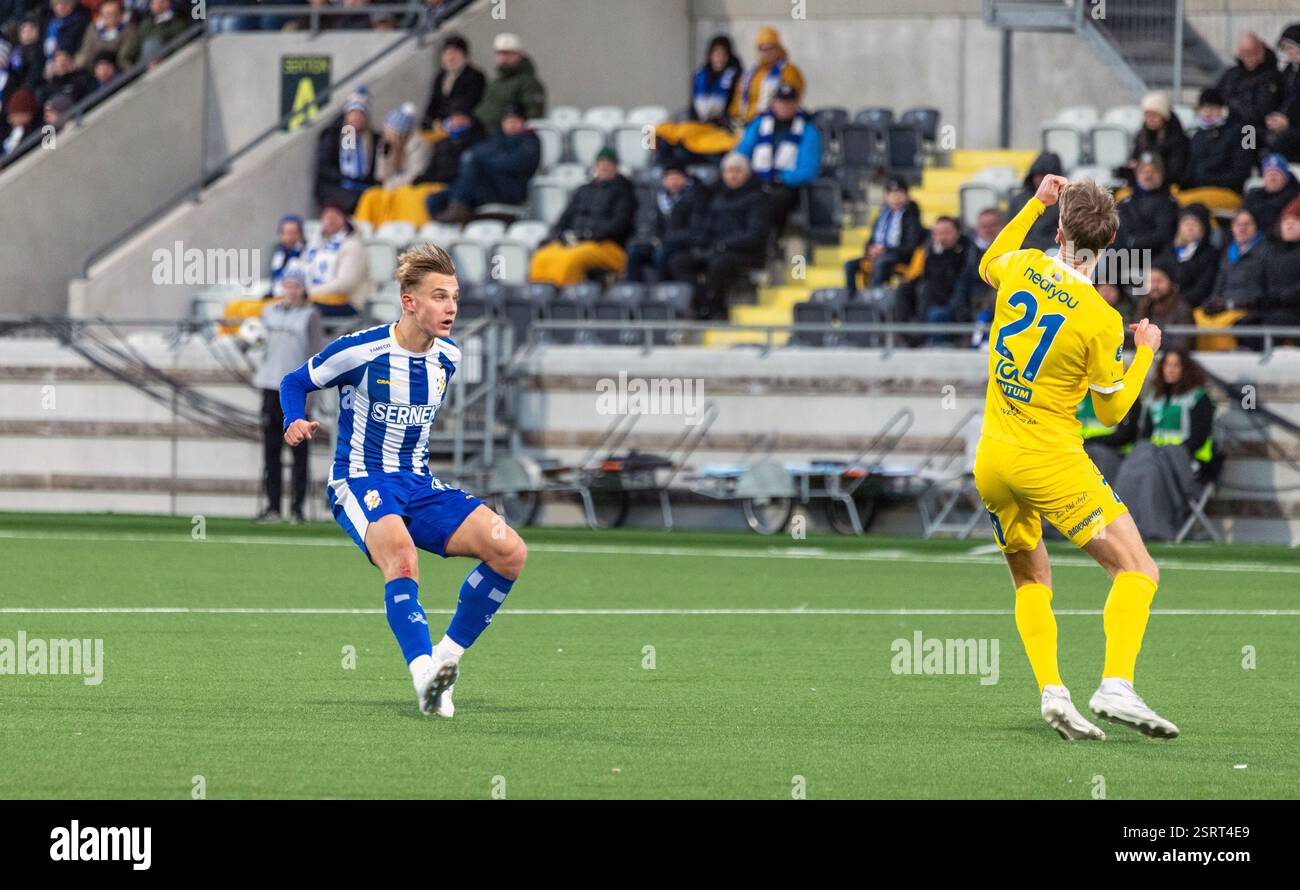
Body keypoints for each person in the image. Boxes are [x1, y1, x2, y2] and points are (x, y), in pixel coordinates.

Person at [279, 243, 528, 719]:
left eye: (454, 296)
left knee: (510, 551)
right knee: (403, 558)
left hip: (419, 483)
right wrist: (294, 419)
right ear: (408, 301)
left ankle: (446, 659)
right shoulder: (361, 351)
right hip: (362, 478)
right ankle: (422, 676)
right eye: (438, 296)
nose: (450, 307)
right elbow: (295, 380)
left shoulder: (448, 357)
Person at [975, 172, 1178, 741]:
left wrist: (1033, 203)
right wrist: (1143, 354)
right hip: (1049, 460)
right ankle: (1115, 683)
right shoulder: (1099, 318)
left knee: (1031, 577)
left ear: (1059, 228)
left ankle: (1053, 690)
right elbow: (1112, 414)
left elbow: (989, 258)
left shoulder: (1021, 267)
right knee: (1137, 569)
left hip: (992, 458)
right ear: (1108, 245)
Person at [1114, 350, 1217, 541]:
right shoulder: (1155, 398)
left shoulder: (1199, 398)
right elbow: (1146, 435)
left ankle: (1154, 527)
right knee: (1130, 467)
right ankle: (1124, 528)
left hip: (1187, 461)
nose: (1170, 370)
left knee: (1151, 471)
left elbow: (1198, 439)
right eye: (1167, 365)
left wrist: (1164, 452)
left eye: (1176, 365)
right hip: (1155, 456)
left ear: (1185, 369)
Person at [254, 264, 323, 524]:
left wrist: (313, 395)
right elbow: (257, 345)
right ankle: (273, 507)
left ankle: (297, 508)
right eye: (288, 285)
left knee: (299, 453)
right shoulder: (268, 312)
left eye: (296, 286)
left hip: (296, 392)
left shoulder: (310, 316)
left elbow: (317, 355)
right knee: (271, 449)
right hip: (270, 387)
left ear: (303, 289)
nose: (291, 290)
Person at [667, 151, 770, 320]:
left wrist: (725, 244)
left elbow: (755, 234)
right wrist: (702, 243)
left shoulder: (757, 198)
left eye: (737, 171)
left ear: (747, 173)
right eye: (729, 171)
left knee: (719, 264)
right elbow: (707, 227)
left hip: (745, 252)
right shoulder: (718, 197)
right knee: (679, 262)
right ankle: (703, 304)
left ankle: (718, 310)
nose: (732, 176)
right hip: (715, 248)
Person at [528, 147, 635, 287]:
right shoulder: (584, 190)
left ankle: (568, 302)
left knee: (572, 260)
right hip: (576, 241)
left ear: (616, 167)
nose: (604, 167)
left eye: (608, 164)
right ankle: (541, 299)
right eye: (601, 163)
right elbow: (565, 217)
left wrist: (590, 235)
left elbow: (620, 224)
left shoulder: (623, 191)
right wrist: (559, 234)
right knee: (541, 257)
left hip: (606, 244)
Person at [426, 103, 539, 222]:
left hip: (509, 191)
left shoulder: (530, 141)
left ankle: (459, 206)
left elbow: (515, 163)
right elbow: (481, 153)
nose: (511, 124)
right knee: (434, 200)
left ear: (523, 122)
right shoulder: (496, 138)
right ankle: (452, 220)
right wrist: (492, 160)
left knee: (472, 160)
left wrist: (489, 162)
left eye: (515, 120)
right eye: (507, 121)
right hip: (487, 187)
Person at [734, 80, 820, 233]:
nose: (784, 106)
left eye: (789, 102)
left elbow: (809, 168)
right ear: (773, 103)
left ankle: (764, 241)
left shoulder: (808, 130)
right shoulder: (759, 124)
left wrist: (781, 178)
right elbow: (742, 152)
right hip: (756, 181)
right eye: (781, 102)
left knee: (769, 203)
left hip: (787, 187)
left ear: (796, 104)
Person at [653, 35, 744, 166]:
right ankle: (660, 168)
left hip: (721, 129)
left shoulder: (736, 76)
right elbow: (693, 108)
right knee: (653, 132)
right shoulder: (700, 75)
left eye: (722, 54)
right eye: (715, 54)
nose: (719, 58)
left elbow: (736, 110)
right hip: (698, 126)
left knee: (715, 149)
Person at [350, 101, 439, 229]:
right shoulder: (388, 144)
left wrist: (391, 185)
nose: (385, 132)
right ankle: (365, 228)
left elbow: (416, 174)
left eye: (389, 129)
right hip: (394, 185)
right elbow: (381, 176)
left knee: (405, 196)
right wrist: (386, 156)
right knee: (370, 195)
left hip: (412, 186)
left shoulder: (419, 144)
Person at [1196, 208, 1267, 346]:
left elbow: (1260, 290)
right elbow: (1219, 284)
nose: (1242, 229)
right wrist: (1212, 302)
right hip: (1224, 306)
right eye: (1238, 225)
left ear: (1256, 227)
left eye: (1247, 224)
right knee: (1196, 317)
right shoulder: (1228, 252)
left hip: (1248, 309)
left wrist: (1231, 304)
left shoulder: (1265, 252)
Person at [625, 164, 703, 283]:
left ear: (684, 179)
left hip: (683, 244)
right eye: (669, 178)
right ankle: (634, 289)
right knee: (635, 252)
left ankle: (664, 289)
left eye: (676, 177)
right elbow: (656, 226)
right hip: (663, 241)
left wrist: (668, 240)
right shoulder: (660, 199)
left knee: (661, 254)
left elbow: (695, 230)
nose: (673, 181)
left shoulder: (694, 198)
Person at [894, 215, 971, 335]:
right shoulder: (928, 251)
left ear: (957, 233)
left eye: (946, 232)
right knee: (904, 290)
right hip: (930, 298)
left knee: (935, 310)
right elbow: (919, 276)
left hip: (953, 300)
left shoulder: (966, 251)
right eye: (937, 233)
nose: (942, 237)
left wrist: (943, 254)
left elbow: (956, 279)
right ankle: (902, 333)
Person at [844, 178, 923, 292]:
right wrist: (870, 249)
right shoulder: (882, 216)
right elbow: (872, 239)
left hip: (898, 256)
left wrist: (886, 250)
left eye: (899, 193)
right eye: (892, 194)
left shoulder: (912, 217)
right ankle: (852, 299)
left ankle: (874, 297)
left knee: (881, 263)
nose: (895, 197)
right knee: (850, 265)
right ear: (886, 197)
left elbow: (911, 246)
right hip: (880, 254)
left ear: (907, 196)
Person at [314, 87, 377, 214]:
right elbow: (325, 166)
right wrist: (348, 179)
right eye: (353, 114)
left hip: (363, 188)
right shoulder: (334, 136)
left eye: (360, 115)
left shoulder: (372, 139)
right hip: (335, 186)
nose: (356, 119)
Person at [304, 203, 370, 318]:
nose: (330, 221)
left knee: (299, 309)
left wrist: (308, 293)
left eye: (334, 217)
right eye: (327, 217)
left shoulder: (353, 245)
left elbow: (345, 283)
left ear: (345, 220)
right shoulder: (316, 245)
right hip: (315, 298)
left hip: (347, 302)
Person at [1184, 88, 1254, 194]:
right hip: (1200, 189)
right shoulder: (1197, 136)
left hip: (1227, 191)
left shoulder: (1242, 132)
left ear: (1222, 109)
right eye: (1203, 108)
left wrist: (1208, 179)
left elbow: (1242, 172)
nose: (1207, 113)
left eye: (1212, 108)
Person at [473, 32, 545, 133]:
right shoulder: (495, 83)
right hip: (484, 134)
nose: (504, 58)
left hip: (508, 139)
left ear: (519, 55)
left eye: (508, 53)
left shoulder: (529, 83)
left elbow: (534, 116)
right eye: (500, 54)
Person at [1213, 32, 1283, 135]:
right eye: (1245, 54)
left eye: (1254, 53)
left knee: (1247, 141)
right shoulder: (1232, 75)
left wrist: (1231, 107)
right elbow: (1215, 97)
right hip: (1229, 127)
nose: (1250, 58)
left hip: (1255, 130)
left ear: (1261, 50)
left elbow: (1260, 112)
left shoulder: (1271, 77)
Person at [731, 26, 803, 126]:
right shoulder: (750, 73)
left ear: (778, 48)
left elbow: (789, 102)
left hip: (774, 124)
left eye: (769, 48)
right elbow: (738, 101)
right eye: (761, 48)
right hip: (745, 123)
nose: (765, 52)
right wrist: (736, 117)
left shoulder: (788, 71)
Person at [1154, 203, 1218, 307]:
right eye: (1186, 223)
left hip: (1193, 305)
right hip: (1164, 303)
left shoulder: (1210, 254)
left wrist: (1174, 300)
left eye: (1194, 223)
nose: (1190, 227)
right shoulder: (1169, 250)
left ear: (1204, 228)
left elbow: (1203, 288)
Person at [1114, 153, 1178, 254]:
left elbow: (1163, 237)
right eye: (1143, 171)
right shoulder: (1125, 204)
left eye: (1153, 171)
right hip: (1124, 260)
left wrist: (1134, 242)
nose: (1148, 175)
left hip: (1156, 262)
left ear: (1162, 175)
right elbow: (1119, 238)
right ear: (1137, 175)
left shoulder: (1169, 204)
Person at [419, 33, 485, 130]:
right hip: (439, 124)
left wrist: (448, 119)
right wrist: (427, 120)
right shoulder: (440, 77)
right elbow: (433, 102)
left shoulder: (475, 76)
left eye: (455, 53)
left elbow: (469, 103)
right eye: (447, 53)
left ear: (464, 55)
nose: (450, 58)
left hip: (462, 124)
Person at [1125, 91, 1189, 187]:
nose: (1150, 119)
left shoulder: (1177, 139)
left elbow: (1176, 172)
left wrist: (1151, 170)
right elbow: (1134, 158)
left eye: (1154, 115)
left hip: (1168, 187)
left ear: (1164, 117)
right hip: (1143, 185)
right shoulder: (1141, 136)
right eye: (1147, 115)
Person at [1006, 152, 1065, 251]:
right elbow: (1010, 232)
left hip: (1050, 255)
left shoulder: (1065, 203)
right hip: (1021, 254)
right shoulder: (1017, 201)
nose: (1040, 180)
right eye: (1037, 175)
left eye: (1045, 176)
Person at [1133, 260, 1195, 352]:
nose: (1154, 286)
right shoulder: (1143, 305)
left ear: (1170, 282)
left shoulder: (1182, 308)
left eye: (1159, 281)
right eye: (1150, 281)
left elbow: (1181, 344)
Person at [1260, 196, 1300, 328]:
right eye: (1286, 221)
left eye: (1295, 220)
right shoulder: (1271, 252)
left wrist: (1282, 297)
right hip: (1273, 308)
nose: (1289, 225)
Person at [1242, 153, 1299, 236]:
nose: (1272, 178)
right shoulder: (1253, 195)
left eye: (1276, 174)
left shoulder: (1293, 197)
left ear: (1286, 177)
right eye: (1269, 174)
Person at [1266, 24, 1300, 161]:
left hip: (1293, 128)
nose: (1288, 52)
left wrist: (1288, 121)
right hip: (1257, 125)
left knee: (1279, 142)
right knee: (1247, 136)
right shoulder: (1286, 72)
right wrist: (1273, 117)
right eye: (1285, 49)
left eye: (1290, 48)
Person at [75, 0, 138, 71]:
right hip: (93, 69)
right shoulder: (93, 28)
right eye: (107, 14)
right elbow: (86, 51)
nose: (111, 18)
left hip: (117, 70)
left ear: (121, 14)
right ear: (101, 15)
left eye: (115, 14)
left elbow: (123, 57)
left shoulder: (129, 30)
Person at [268, 213, 307, 296]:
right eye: (286, 233)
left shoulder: (306, 251)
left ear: (300, 234)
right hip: (276, 294)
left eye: (293, 233)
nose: (289, 237)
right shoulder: (279, 253)